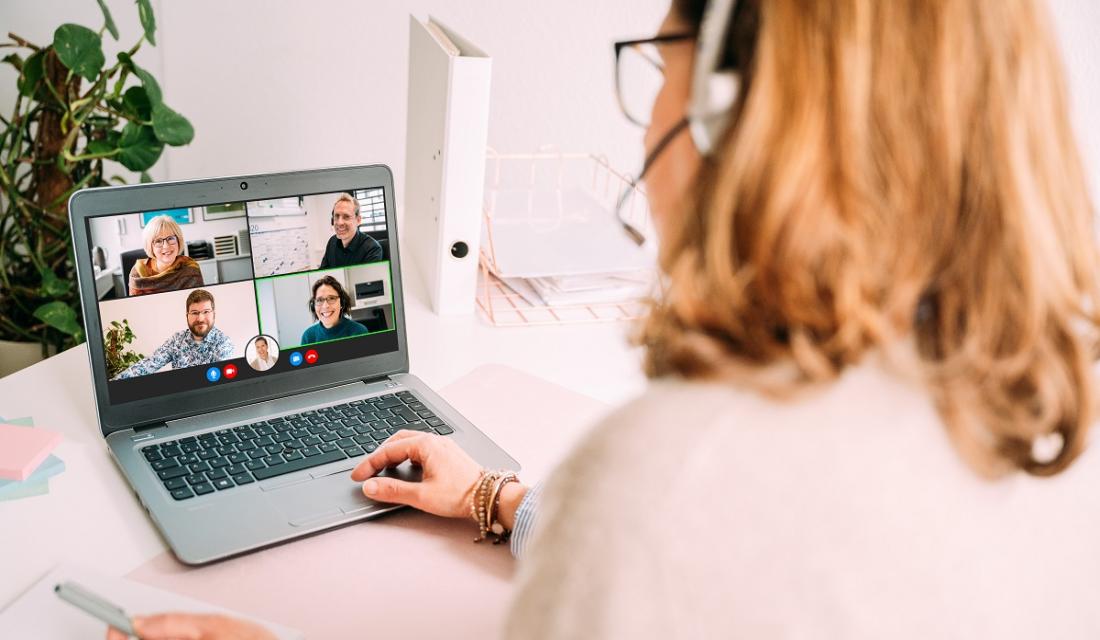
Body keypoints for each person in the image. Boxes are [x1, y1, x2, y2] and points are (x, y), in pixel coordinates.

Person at [109, 0, 1100, 638]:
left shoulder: (671, 481)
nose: (648, 110)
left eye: (657, 58)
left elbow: (667, 552)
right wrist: (503, 502)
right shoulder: (1048, 413)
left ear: (729, 107)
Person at [114, 289, 233, 379]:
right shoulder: (177, 340)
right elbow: (149, 363)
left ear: (214, 314)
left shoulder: (223, 343)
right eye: (194, 313)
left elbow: (217, 381)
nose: (200, 318)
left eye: (206, 312)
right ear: (187, 316)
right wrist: (115, 382)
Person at [127, 215, 204, 296]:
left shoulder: (191, 268)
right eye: (158, 241)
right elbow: (136, 306)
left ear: (178, 241)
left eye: (170, 238)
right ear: (150, 246)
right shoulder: (138, 272)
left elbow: (199, 301)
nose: (166, 246)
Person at [317, 193, 383, 269]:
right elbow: (323, 275)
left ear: (358, 220)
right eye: (336, 216)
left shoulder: (372, 249)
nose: (339, 222)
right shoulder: (332, 242)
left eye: (346, 217)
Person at [299, 275, 369, 345]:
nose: (325, 306)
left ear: (342, 302)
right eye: (319, 300)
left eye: (332, 298)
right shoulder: (308, 337)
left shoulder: (359, 332)